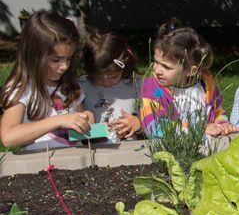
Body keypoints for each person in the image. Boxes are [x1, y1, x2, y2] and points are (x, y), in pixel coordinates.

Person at [0, 11, 93, 150]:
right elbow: (8, 137)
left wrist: (86, 118)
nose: (64, 66)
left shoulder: (69, 84)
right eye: (56, 60)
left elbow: (78, 117)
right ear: (33, 55)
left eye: (69, 58)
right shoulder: (22, 88)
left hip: (76, 162)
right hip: (40, 166)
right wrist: (57, 121)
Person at [139, 21, 236, 138]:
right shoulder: (153, 88)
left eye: (166, 67)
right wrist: (196, 130)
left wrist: (222, 124)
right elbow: (153, 127)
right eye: (155, 62)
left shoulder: (206, 86)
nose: (156, 69)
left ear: (191, 70)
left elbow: (218, 112)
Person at [80, 28, 140, 142]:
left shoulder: (136, 85)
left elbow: (157, 121)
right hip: (94, 153)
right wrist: (100, 131)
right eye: (99, 77)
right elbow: (73, 134)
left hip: (131, 152)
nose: (107, 82)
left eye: (113, 77)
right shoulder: (82, 86)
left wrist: (138, 123)